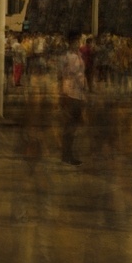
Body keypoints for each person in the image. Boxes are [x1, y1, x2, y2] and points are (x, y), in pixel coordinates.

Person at [57, 32, 86, 165]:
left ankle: (67, 153)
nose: (79, 44)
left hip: (74, 93)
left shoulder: (74, 56)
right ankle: (67, 154)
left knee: (72, 125)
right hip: (72, 93)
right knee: (71, 126)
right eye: (77, 41)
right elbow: (70, 75)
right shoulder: (71, 57)